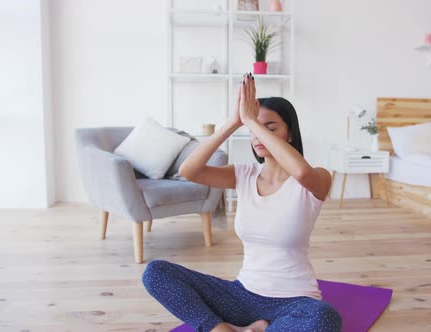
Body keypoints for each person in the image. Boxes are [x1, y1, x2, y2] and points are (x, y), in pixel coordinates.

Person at [142, 73, 341, 332]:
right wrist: (234, 122)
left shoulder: (317, 178)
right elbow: (189, 170)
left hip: (295, 302)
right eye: (253, 130)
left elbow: (301, 173)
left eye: (269, 128)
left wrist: (251, 120)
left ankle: (251, 329)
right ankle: (221, 329)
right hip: (242, 295)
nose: (258, 136)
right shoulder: (244, 175)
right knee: (156, 273)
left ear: (290, 133)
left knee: (325, 318)